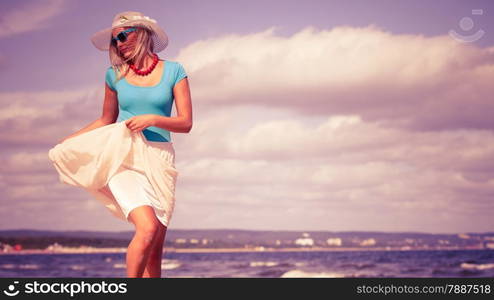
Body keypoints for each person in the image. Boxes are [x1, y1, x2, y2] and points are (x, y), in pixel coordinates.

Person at [59, 11, 192, 278]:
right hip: (123, 156)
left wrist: (153, 119)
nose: (119, 43)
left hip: (160, 158)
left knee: (155, 248)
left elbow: (186, 122)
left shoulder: (175, 71)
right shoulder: (114, 75)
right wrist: (69, 141)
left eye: (123, 35)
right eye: (114, 40)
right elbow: (106, 119)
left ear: (142, 33)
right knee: (147, 228)